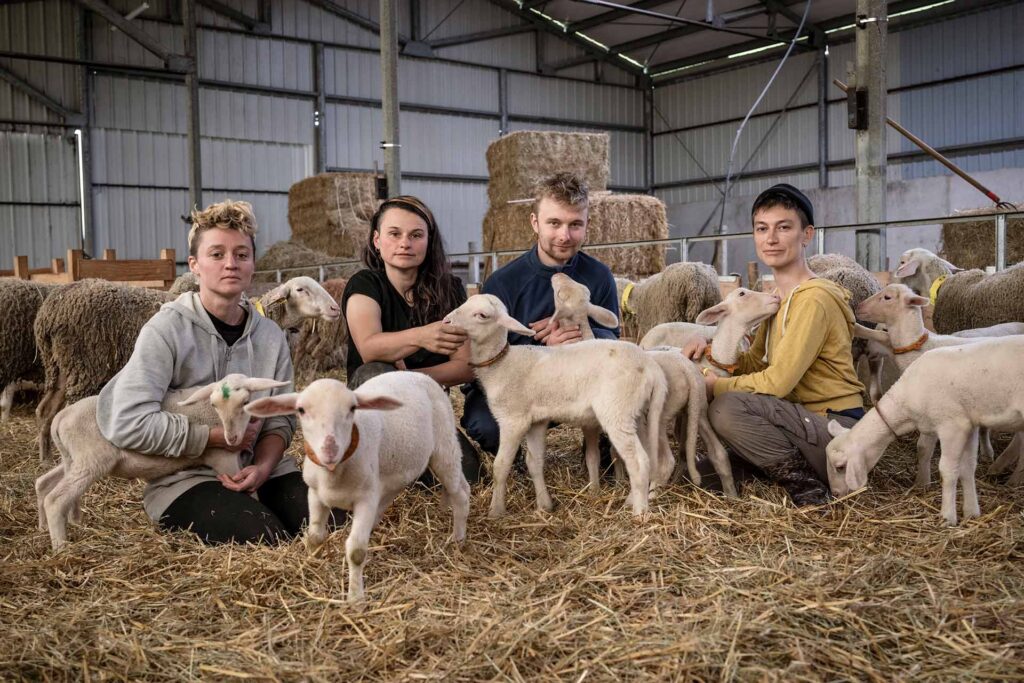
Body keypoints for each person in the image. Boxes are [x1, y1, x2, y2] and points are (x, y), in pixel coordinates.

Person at [97, 200, 311, 544]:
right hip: (185, 477)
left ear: (253, 264)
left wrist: (264, 467)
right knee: (264, 537)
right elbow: (126, 421)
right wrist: (210, 439)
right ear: (194, 265)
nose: (231, 264)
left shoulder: (270, 336)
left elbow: (280, 420)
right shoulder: (166, 330)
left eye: (242, 255)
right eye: (217, 254)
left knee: (329, 523)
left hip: (259, 468)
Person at [684, 184, 865, 506]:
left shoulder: (815, 299)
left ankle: (806, 486)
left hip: (837, 427)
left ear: (806, 234)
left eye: (784, 228)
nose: (771, 239)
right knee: (694, 475)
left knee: (726, 408)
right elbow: (756, 363)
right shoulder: (776, 301)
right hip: (796, 419)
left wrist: (716, 386)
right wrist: (713, 350)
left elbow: (778, 382)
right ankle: (769, 464)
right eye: (762, 229)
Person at [460, 172, 620, 458]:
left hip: (576, 385)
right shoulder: (504, 282)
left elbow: (613, 342)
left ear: (587, 225)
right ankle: (517, 460)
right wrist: (544, 349)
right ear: (535, 223)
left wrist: (581, 341)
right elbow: (485, 353)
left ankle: (603, 452)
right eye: (554, 223)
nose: (564, 235)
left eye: (575, 225)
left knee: (623, 393)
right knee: (485, 425)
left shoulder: (599, 276)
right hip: (520, 386)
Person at [341, 195, 483, 482]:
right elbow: (370, 348)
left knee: (470, 476)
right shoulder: (365, 284)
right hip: (374, 411)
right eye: (395, 234)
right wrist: (423, 336)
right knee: (374, 372)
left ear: (429, 242)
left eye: (416, 235)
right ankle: (373, 460)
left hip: (425, 408)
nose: (405, 242)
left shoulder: (450, 289)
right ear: (377, 240)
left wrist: (413, 377)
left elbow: (465, 365)